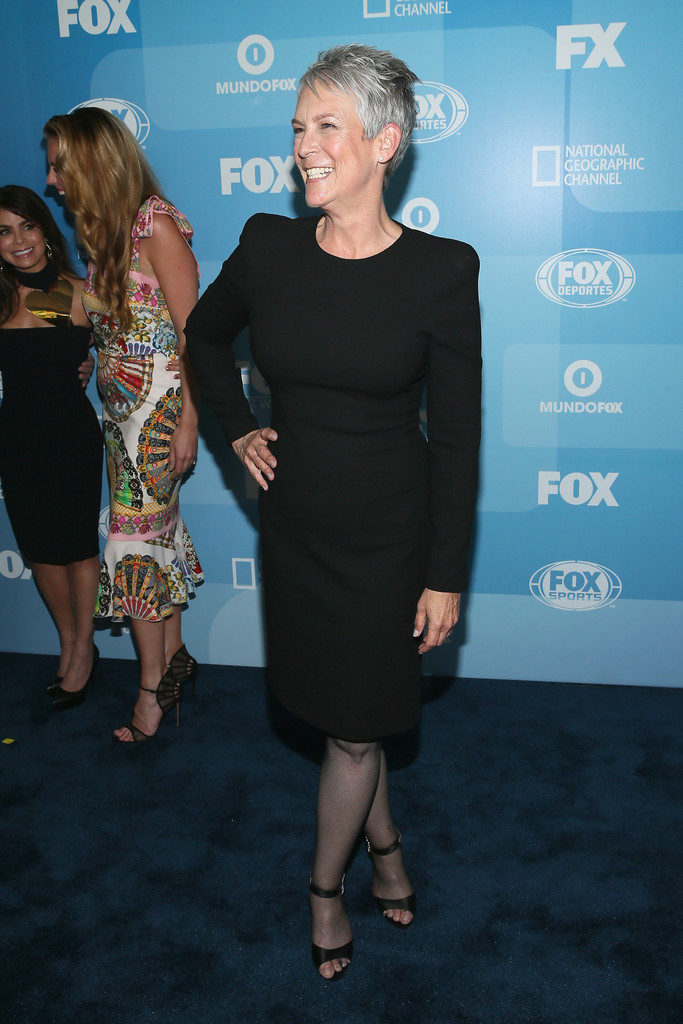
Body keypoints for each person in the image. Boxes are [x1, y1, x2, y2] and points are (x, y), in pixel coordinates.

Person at [184, 44, 481, 978]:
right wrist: (237, 428)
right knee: (349, 716)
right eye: (296, 128)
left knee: (355, 726)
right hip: (297, 528)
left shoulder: (442, 270)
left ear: (384, 142)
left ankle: (323, 890)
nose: (302, 148)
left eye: (325, 127)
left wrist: (444, 575)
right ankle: (385, 849)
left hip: (390, 537)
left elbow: (458, 441)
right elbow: (203, 335)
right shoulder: (267, 248)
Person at [43, 108, 203, 743]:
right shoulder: (103, 233)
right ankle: (175, 664)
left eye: (59, 166)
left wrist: (189, 420)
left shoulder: (153, 225)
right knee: (153, 539)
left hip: (159, 416)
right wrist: (97, 353)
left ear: (92, 162)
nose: (52, 181)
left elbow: (194, 335)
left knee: (134, 546)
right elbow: (121, 319)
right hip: (120, 417)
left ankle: (151, 692)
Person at [0, 184, 102, 707]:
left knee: (78, 548)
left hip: (69, 437)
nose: (18, 241)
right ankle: (69, 640)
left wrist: (91, 361)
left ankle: (83, 649)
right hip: (17, 440)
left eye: (27, 226)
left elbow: (121, 350)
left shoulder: (72, 292)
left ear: (45, 229)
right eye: (4, 232)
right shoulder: (2, 297)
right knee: (40, 551)